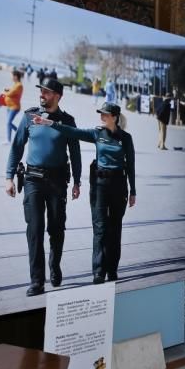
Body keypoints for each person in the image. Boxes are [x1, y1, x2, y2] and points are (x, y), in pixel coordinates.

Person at [41, 102, 136, 284]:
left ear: (114, 117)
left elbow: (131, 165)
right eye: (101, 113)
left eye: (105, 114)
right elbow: (73, 132)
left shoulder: (126, 138)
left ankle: (112, 269)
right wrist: (51, 124)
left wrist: (133, 191)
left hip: (119, 186)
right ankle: (98, 271)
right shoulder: (97, 133)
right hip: (100, 185)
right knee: (100, 228)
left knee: (115, 229)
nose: (102, 116)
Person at [4, 77, 82, 296]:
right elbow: (17, 146)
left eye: (47, 92)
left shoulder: (67, 121)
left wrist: (77, 181)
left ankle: (54, 265)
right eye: (41, 91)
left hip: (58, 182)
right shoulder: (29, 116)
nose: (42, 95)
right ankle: (36, 280)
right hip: (33, 180)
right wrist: (9, 176)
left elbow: (75, 153)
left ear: (57, 96)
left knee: (56, 228)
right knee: (35, 229)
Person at [1, 69, 23, 144]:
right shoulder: (15, 84)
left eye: (13, 76)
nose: (12, 77)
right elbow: (11, 91)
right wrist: (7, 90)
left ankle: (19, 133)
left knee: (8, 122)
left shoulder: (19, 85)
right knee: (8, 123)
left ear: (16, 77)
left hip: (15, 107)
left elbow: (11, 93)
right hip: (9, 106)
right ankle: (9, 140)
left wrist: (4, 92)